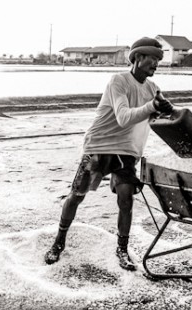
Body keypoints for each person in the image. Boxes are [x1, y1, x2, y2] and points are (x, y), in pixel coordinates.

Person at [43, 37, 174, 271]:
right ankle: (59, 242)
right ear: (138, 58)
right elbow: (124, 117)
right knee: (77, 195)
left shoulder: (153, 89)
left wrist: (184, 119)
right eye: (153, 58)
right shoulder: (119, 81)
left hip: (126, 152)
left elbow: (162, 115)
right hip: (99, 147)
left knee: (126, 199)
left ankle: (122, 250)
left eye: (158, 59)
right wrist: (153, 107)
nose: (156, 63)